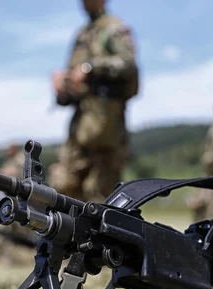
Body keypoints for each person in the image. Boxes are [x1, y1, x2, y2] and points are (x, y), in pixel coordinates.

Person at [53, 0, 139, 202]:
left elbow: (128, 63)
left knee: (100, 198)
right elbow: (74, 82)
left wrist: (89, 68)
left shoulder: (114, 28)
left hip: (106, 127)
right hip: (80, 127)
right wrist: (62, 84)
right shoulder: (82, 34)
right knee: (65, 190)